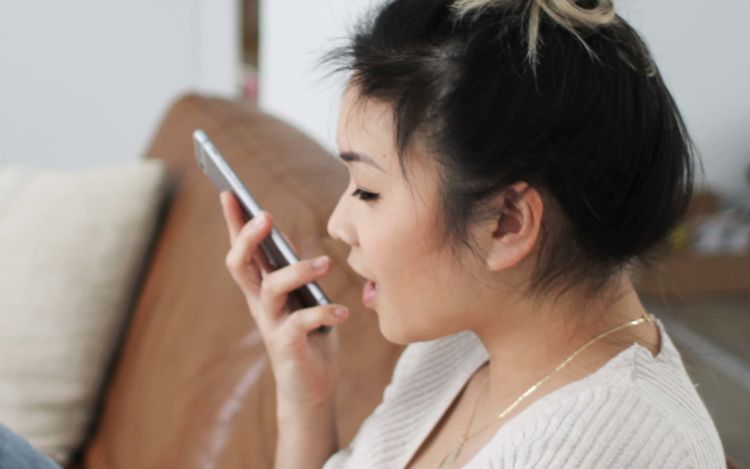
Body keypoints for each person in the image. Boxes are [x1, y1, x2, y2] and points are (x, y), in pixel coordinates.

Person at [219, 0, 726, 467]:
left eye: (369, 191)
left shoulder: (608, 451)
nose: (337, 225)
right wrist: (306, 400)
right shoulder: (461, 346)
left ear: (506, 221)